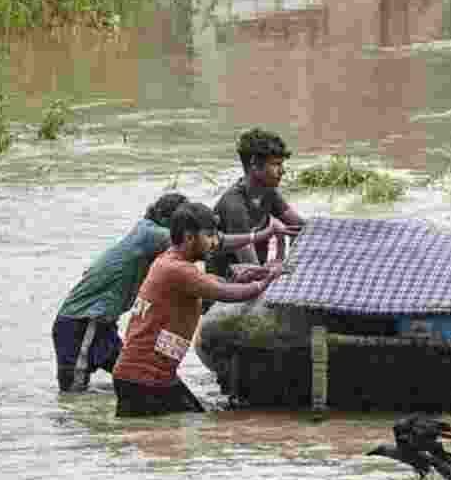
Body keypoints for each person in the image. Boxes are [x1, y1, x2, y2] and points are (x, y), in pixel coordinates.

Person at [52, 193, 288, 393]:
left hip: (102, 323)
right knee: (74, 392)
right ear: (169, 222)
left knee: (128, 375)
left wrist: (236, 277)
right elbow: (213, 243)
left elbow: (201, 276)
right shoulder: (152, 235)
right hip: (83, 321)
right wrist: (262, 235)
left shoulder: (158, 246)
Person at [110, 202, 277, 417]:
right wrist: (266, 282)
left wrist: (239, 277)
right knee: (175, 434)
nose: (214, 242)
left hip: (151, 376)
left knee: (185, 424)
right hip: (143, 379)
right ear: (189, 237)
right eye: (209, 236)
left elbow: (211, 283)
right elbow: (227, 294)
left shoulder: (171, 262)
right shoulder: (177, 269)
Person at [207, 127, 307, 282]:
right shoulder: (234, 205)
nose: (282, 171)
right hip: (227, 287)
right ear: (254, 164)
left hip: (253, 275)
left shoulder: (269, 192)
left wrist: (285, 257)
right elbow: (250, 264)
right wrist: (280, 269)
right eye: (276, 164)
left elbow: (301, 228)